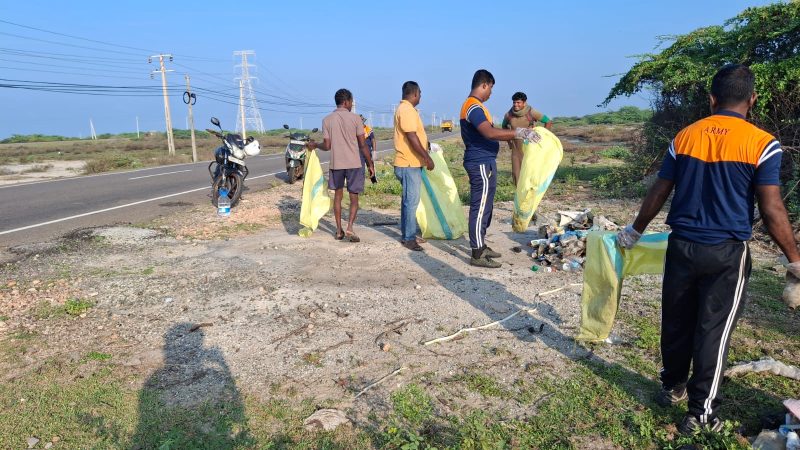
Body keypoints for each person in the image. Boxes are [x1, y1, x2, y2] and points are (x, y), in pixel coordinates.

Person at [616, 64, 800, 434]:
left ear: (712, 98)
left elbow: (660, 189)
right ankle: (701, 413)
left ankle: (673, 386)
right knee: (713, 330)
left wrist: (635, 230)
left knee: (677, 319)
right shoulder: (762, 143)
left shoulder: (685, 136)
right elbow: (772, 208)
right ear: (752, 99)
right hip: (726, 253)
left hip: (681, 245)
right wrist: (794, 258)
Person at [460, 69, 541, 268]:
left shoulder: (478, 107)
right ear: (484, 85)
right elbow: (489, 132)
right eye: (491, 88)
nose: (491, 93)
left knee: (486, 207)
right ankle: (477, 253)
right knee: (480, 208)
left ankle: (481, 244)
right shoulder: (473, 107)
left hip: (486, 161)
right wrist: (519, 133)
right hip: (479, 162)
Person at [308, 89, 375, 242]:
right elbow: (363, 145)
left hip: (336, 164)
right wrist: (370, 164)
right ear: (346, 102)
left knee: (337, 197)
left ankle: (338, 231)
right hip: (354, 164)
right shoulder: (356, 119)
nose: (351, 105)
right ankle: (350, 227)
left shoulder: (327, 120)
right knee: (353, 198)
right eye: (351, 102)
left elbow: (327, 146)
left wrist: (315, 145)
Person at [393, 81, 435, 251]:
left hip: (409, 163)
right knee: (411, 202)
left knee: (408, 202)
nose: (420, 97)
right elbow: (411, 136)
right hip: (408, 163)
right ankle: (409, 238)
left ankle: (407, 234)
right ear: (416, 93)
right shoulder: (407, 110)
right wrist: (427, 158)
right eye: (420, 94)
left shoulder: (406, 109)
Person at [501, 91, 552, 185]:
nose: (515, 105)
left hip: (530, 150)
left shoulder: (531, 112)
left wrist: (543, 138)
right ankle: (519, 194)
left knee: (531, 175)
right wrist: (509, 142)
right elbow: (504, 126)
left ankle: (531, 193)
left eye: (518, 102)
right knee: (516, 175)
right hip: (516, 151)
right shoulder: (508, 115)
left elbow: (548, 121)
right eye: (514, 102)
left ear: (524, 103)